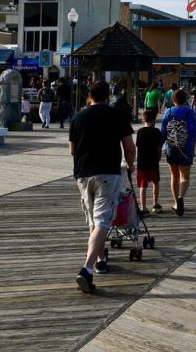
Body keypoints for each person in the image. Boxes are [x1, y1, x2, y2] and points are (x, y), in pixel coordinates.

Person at [69, 81, 135, 294]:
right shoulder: (117, 115)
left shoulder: (77, 117)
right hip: (107, 173)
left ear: (90, 95)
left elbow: (72, 150)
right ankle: (87, 268)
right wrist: (131, 165)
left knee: (93, 220)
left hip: (83, 174)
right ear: (108, 96)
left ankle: (100, 260)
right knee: (103, 221)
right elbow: (129, 147)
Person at [161, 89, 196, 217]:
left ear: (174, 99)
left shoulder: (168, 112)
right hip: (186, 148)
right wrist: (192, 148)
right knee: (185, 178)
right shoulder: (190, 112)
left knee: (174, 176)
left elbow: (163, 132)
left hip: (171, 147)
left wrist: (160, 147)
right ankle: (181, 197)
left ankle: (176, 203)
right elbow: (193, 132)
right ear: (185, 99)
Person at [135, 108, 163, 215]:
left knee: (143, 185)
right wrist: (159, 157)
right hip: (153, 161)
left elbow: (138, 147)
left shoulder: (140, 132)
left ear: (143, 120)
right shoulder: (157, 132)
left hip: (142, 163)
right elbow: (159, 148)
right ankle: (155, 204)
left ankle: (143, 207)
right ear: (154, 120)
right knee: (155, 182)